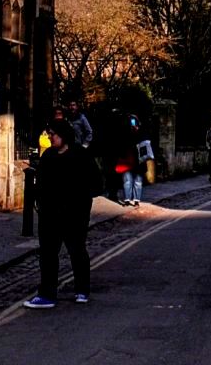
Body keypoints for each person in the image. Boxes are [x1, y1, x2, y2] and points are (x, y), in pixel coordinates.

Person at [24, 118, 98, 309]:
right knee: (48, 254)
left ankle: (82, 290)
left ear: (64, 135)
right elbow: (40, 183)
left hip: (75, 215)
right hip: (50, 215)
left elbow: (95, 182)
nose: (50, 138)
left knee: (77, 251)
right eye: (49, 134)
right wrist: (40, 202)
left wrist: (82, 204)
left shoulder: (81, 155)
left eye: (53, 134)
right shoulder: (48, 156)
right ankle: (47, 294)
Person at [112, 114, 144, 206]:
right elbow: (120, 143)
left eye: (134, 122)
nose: (132, 124)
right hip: (126, 158)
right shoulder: (124, 132)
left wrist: (137, 131)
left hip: (139, 159)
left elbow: (145, 142)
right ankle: (127, 200)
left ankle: (137, 200)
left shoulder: (141, 131)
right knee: (127, 180)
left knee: (137, 181)